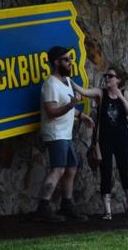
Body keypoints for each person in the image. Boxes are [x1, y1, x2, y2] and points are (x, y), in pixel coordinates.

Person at [35, 46, 94, 222]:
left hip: (65, 135)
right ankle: (43, 208)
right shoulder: (50, 84)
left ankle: (66, 205)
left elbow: (69, 106)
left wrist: (81, 115)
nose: (70, 62)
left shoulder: (67, 81)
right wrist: (71, 105)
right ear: (56, 62)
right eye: (66, 59)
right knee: (58, 169)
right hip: (55, 134)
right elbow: (52, 111)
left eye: (70, 59)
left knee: (71, 168)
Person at [72, 66, 128, 220]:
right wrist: (70, 82)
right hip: (105, 140)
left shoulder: (126, 94)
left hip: (122, 139)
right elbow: (84, 91)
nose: (107, 78)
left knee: (124, 171)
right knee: (105, 172)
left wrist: (120, 96)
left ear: (118, 80)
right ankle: (107, 212)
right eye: (106, 75)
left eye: (110, 76)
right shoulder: (100, 93)